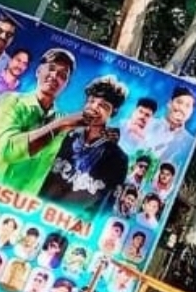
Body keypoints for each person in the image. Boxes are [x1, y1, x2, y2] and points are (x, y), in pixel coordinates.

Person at [0, 48, 82, 193]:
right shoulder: (11, 101)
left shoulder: (64, 122)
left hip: (23, 202)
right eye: (51, 68)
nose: (54, 76)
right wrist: (58, 126)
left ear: (66, 84)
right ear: (38, 71)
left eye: (62, 75)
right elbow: (8, 151)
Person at [39, 75, 129, 213]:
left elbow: (106, 205)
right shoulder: (65, 135)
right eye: (91, 101)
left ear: (113, 112)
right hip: (37, 209)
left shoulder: (118, 158)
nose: (94, 108)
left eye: (103, 106)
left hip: (73, 221)